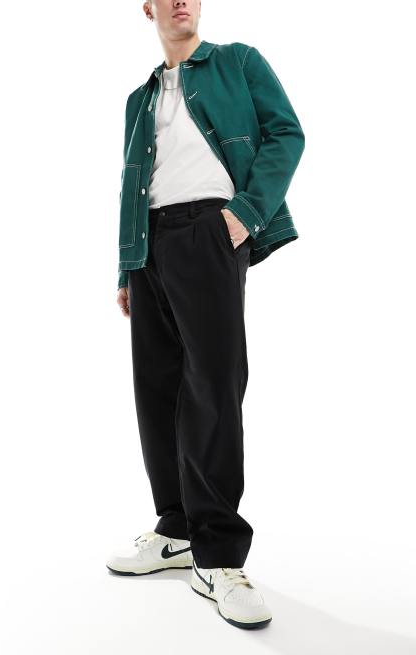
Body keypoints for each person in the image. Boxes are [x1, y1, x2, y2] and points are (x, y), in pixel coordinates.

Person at [107, 0, 305, 630]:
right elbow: (130, 183)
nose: (181, 2)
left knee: (214, 386)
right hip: (149, 244)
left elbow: (287, 133)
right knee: (157, 388)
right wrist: (126, 266)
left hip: (209, 231)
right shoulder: (139, 98)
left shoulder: (238, 63)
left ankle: (218, 554)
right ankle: (177, 529)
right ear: (148, 9)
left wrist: (245, 214)